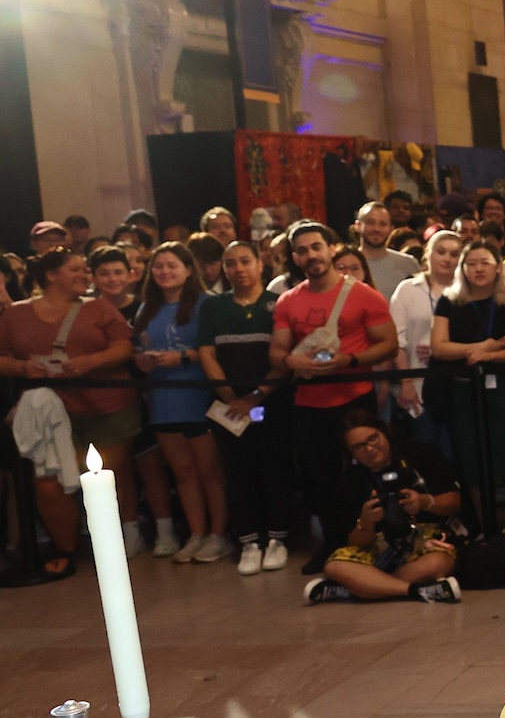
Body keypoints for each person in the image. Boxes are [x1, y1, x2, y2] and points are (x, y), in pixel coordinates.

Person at [0, 249, 142, 577]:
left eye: (84, 270)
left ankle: (110, 543)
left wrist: (90, 363)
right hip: (51, 412)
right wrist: (24, 367)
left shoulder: (98, 307)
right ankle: (65, 547)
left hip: (106, 407)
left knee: (109, 478)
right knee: (48, 483)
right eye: (75, 269)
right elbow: (2, 356)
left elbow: (123, 346)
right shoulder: (15, 315)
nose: (84, 275)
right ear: (51, 275)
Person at [269, 222, 398, 543]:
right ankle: (332, 545)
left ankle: (380, 538)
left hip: (355, 397)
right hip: (309, 402)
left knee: (369, 471)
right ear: (295, 259)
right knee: (318, 477)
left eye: (316, 247)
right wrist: (290, 362)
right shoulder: (287, 301)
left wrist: (349, 361)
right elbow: (277, 351)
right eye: (302, 250)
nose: (311, 255)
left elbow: (389, 345)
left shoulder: (364, 295)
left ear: (330, 249)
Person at [131, 242, 230, 562]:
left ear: (189, 270)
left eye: (172, 265)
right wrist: (142, 361)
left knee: (209, 471)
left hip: (199, 394)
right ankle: (196, 533)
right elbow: (138, 347)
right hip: (162, 398)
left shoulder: (207, 304)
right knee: (182, 472)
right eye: (158, 266)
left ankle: (219, 534)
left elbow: (217, 348)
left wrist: (184, 356)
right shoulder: (145, 307)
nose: (164, 271)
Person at [197, 241, 292, 575]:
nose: (238, 269)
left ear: (260, 264)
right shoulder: (213, 307)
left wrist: (253, 398)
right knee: (237, 471)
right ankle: (249, 542)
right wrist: (229, 398)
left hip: (266, 404)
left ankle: (278, 538)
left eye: (245, 261)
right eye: (231, 263)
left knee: (273, 467)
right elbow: (207, 354)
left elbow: (283, 358)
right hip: (227, 407)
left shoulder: (278, 304)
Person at [304, 411, 463, 604]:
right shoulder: (350, 480)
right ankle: (417, 590)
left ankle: (357, 588)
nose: (370, 449)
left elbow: (454, 502)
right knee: (334, 566)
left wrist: (425, 502)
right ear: (351, 453)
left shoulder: (420, 454)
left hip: (425, 539)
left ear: (384, 432)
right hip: (379, 545)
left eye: (373, 439)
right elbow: (355, 543)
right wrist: (366, 522)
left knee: (437, 564)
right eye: (359, 447)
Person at [429, 242, 505, 534]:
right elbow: (439, 348)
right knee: (472, 459)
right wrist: (483, 346)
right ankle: (486, 525)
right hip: (463, 390)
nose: (478, 269)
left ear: (498, 266)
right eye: (471, 263)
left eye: (485, 262)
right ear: (462, 268)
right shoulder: (449, 301)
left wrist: (488, 356)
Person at [388, 230, 460, 449]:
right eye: (441, 252)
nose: (447, 259)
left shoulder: (465, 291)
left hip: (457, 383)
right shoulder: (407, 289)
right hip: (418, 383)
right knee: (426, 449)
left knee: (455, 453)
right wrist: (406, 382)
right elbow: (397, 341)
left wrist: (441, 350)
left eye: (454, 254)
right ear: (427, 254)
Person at [353, 201, 418, 297]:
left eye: (383, 224)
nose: (376, 229)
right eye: (371, 223)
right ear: (357, 226)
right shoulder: (346, 264)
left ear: (391, 229)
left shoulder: (409, 264)